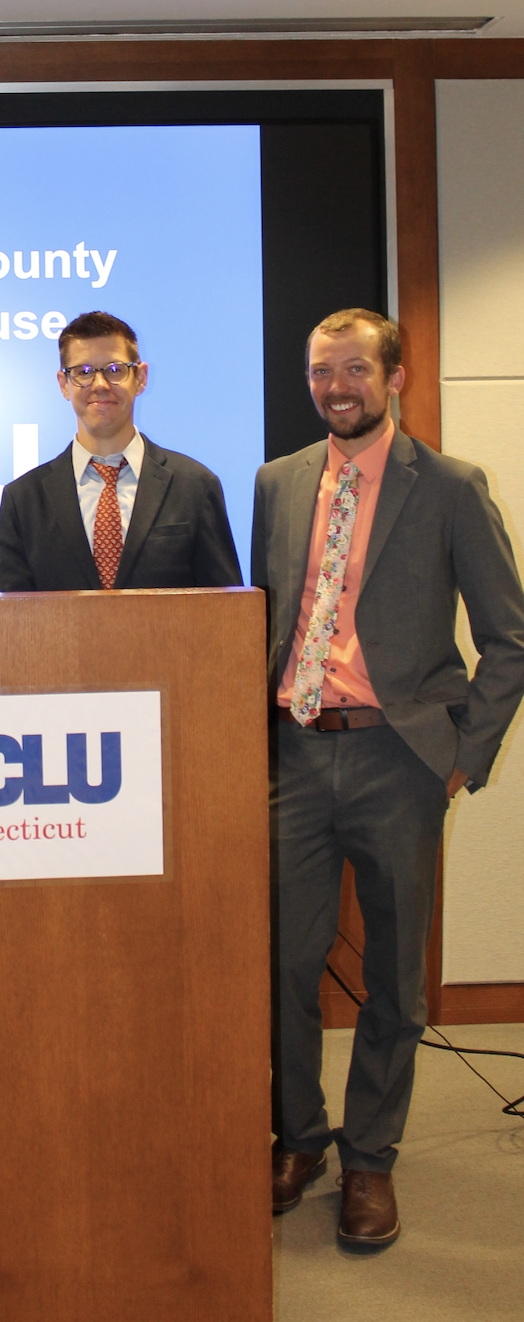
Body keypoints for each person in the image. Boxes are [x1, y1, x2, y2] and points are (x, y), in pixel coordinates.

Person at [253, 307, 524, 1246]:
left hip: (400, 761)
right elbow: (269, 617)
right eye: (322, 370)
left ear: (394, 378)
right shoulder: (278, 482)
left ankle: (370, 1158)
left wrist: (462, 757)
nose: (337, 387)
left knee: (397, 980)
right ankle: (301, 1138)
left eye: (356, 370)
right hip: (293, 753)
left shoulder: (449, 486)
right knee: (283, 964)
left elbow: (509, 638)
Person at [0, 310, 241, 591]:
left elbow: (227, 615)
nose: (99, 385)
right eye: (83, 372)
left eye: (114, 370)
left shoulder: (194, 486)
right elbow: (8, 624)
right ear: (64, 384)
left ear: (141, 378)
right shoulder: (24, 501)